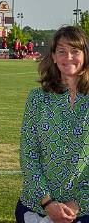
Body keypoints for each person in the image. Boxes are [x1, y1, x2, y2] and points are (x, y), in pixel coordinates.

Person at [15, 25, 89, 223]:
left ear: (85, 55)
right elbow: (28, 153)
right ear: (54, 57)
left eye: (75, 51)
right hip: (37, 207)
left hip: (82, 209)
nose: (69, 57)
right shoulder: (37, 98)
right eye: (62, 51)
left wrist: (79, 203)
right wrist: (47, 203)